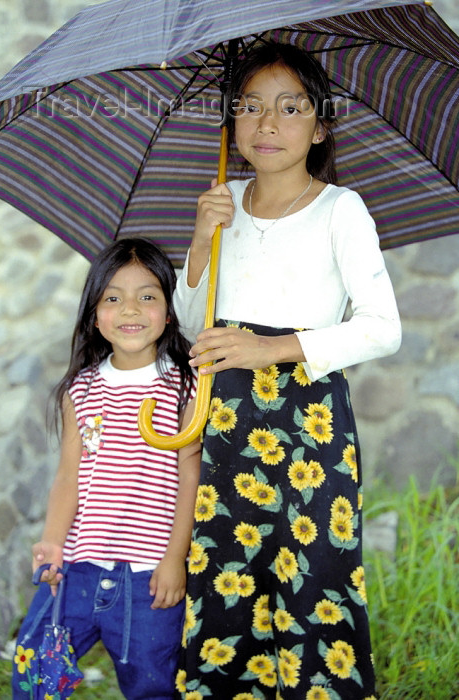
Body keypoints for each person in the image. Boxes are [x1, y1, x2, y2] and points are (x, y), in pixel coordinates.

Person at [173, 42, 401, 699]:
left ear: (320, 125)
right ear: (231, 122)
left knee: (313, 577)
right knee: (228, 575)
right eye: (248, 107)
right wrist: (197, 239)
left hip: (310, 430)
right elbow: (194, 325)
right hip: (229, 423)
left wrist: (270, 349)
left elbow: (382, 328)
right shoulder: (223, 205)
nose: (266, 124)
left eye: (289, 108)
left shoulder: (340, 210)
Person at [12, 238, 200, 700]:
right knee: (33, 668)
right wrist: (52, 543)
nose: (130, 309)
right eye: (113, 297)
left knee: (152, 685)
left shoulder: (188, 385)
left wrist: (175, 560)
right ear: (95, 315)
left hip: (148, 578)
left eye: (148, 296)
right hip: (75, 567)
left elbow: (190, 479)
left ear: (170, 312)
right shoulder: (81, 389)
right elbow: (69, 476)